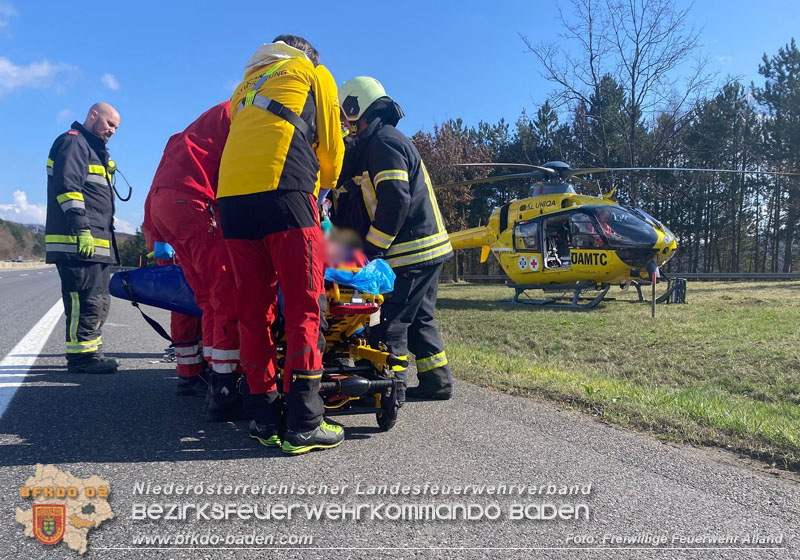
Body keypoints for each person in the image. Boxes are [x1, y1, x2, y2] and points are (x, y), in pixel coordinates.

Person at [217, 35, 345, 454]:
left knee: (253, 311)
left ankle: (263, 417)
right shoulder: (311, 72)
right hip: (286, 194)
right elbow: (332, 145)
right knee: (306, 306)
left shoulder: (244, 88)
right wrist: (325, 188)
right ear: (307, 53)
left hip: (232, 203)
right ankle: (305, 422)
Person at [336, 76, 454, 403]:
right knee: (419, 319)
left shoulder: (384, 144)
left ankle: (390, 389)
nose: (346, 128)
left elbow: (395, 200)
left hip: (409, 253)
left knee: (388, 321)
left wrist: (372, 249)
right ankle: (436, 382)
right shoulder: (380, 142)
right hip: (427, 250)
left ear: (355, 108)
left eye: (347, 120)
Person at [142, 101, 239, 406]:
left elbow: (160, 182)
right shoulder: (243, 113)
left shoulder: (185, 137)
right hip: (193, 205)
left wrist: (157, 234)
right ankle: (222, 383)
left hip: (164, 211)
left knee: (196, 300)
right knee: (222, 295)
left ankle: (191, 374)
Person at [45, 103, 121, 374]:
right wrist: (82, 229)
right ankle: (80, 359)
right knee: (82, 300)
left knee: (98, 300)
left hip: (97, 244)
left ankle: (91, 352)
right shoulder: (73, 143)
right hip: (77, 243)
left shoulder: (94, 151)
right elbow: (68, 189)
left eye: (115, 127)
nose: (112, 130)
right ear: (92, 115)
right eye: (109, 123)